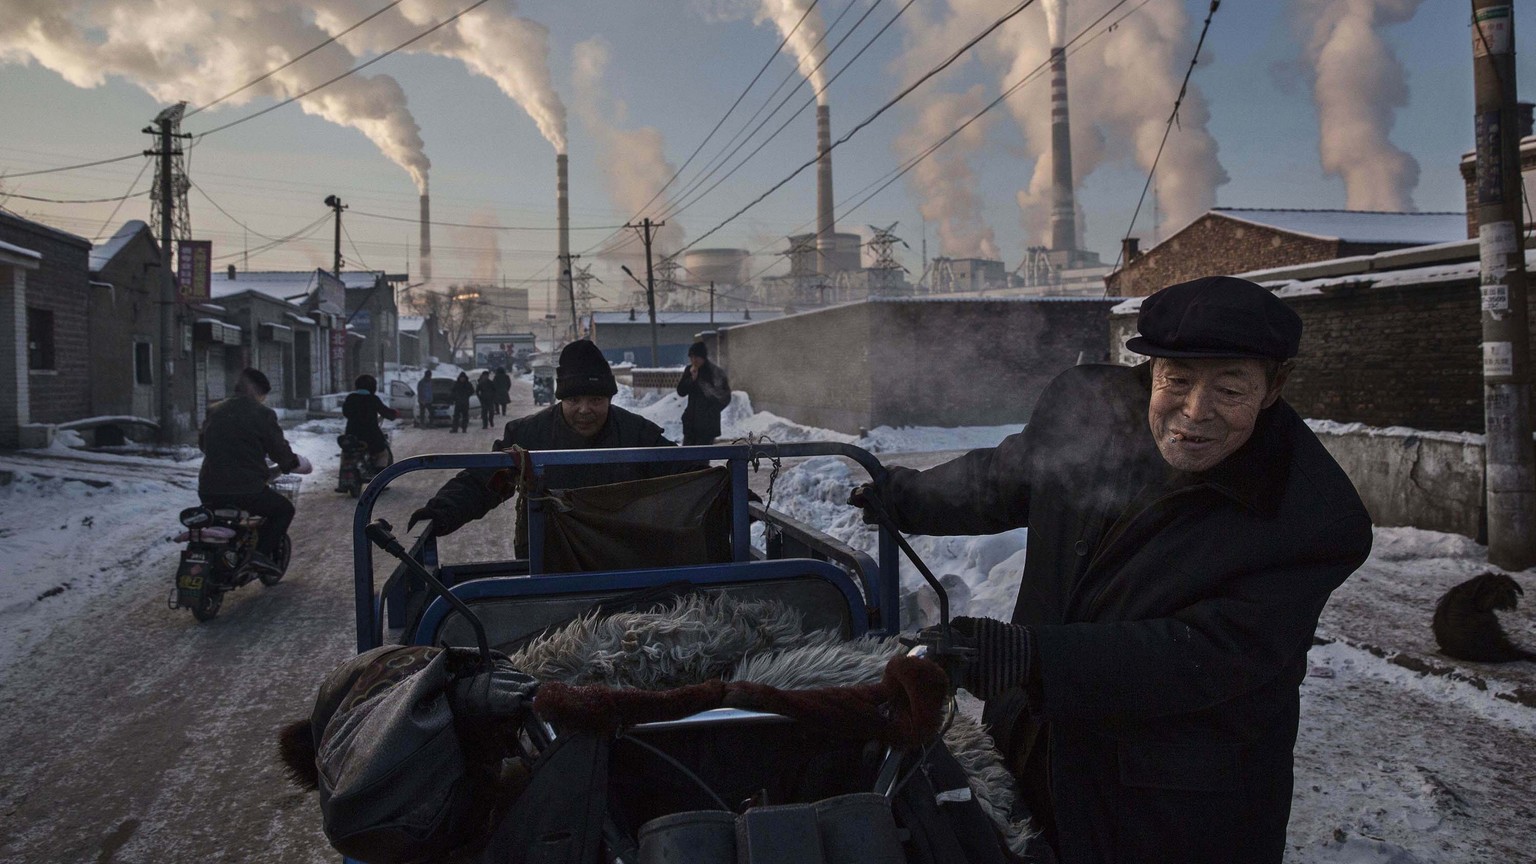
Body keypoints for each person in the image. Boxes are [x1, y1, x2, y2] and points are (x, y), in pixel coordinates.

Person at [849, 276, 1373, 864]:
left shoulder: (1308, 516)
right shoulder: (1093, 415)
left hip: (1172, 804)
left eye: (1230, 390)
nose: (1195, 413)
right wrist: (904, 497)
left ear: (1275, 386)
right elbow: (1006, 478)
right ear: (1150, 370)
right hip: (1035, 746)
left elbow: (1205, 653)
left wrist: (1033, 657)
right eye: (1177, 380)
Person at [411, 340, 694, 558]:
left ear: (609, 398)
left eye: (596, 399)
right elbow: (483, 481)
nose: (585, 410)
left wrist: (729, 492)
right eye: (574, 400)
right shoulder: (528, 436)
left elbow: (689, 477)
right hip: (549, 564)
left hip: (620, 562)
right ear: (561, 400)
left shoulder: (639, 435)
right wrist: (440, 512)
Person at [198, 368, 311, 572]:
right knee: (284, 510)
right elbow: (279, 451)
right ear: (256, 391)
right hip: (246, 490)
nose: (262, 400)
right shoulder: (262, 413)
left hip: (208, 489)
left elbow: (203, 445)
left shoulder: (214, 410)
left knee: (223, 516)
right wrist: (290, 463)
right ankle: (258, 555)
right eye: (262, 396)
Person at [676, 341, 731, 446]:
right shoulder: (690, 370)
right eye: (691, 358)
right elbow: (681, 391)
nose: (693, 361)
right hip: (691, 424)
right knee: (686, 457)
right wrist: (692, 379)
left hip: (707, 426)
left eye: (696, 357)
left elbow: (725, 397)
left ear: (703, 357)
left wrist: (711, 413)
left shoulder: (714, 372)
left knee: (702, 458)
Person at [342, 375, 400, 470]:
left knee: (346, 452)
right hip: (371, 437)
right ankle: (379, 478)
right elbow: (386, 413)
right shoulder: (373, 399)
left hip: (352, 435)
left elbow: (345, 413)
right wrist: (394, 413)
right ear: (373, 387)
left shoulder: (350, 398)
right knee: (382, 453)